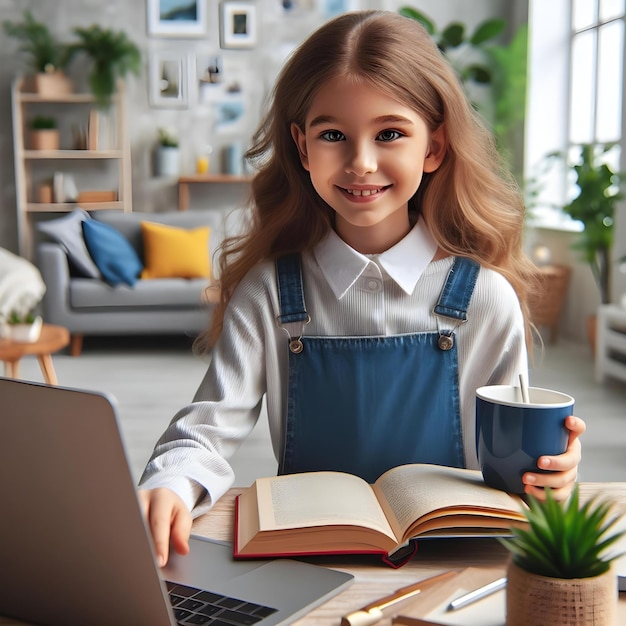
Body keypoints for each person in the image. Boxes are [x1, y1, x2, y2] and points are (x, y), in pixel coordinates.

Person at [139, 10, 585, 567]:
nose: (361, 162)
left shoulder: (484, 299)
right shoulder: (271, 292)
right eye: (333, 135)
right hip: (307, 562)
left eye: (390, 133)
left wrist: (548, 476)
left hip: (449, 565)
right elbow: (205, 428)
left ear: (434, 147)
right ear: (303, 149)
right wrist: (172, 482)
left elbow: (511, 468)